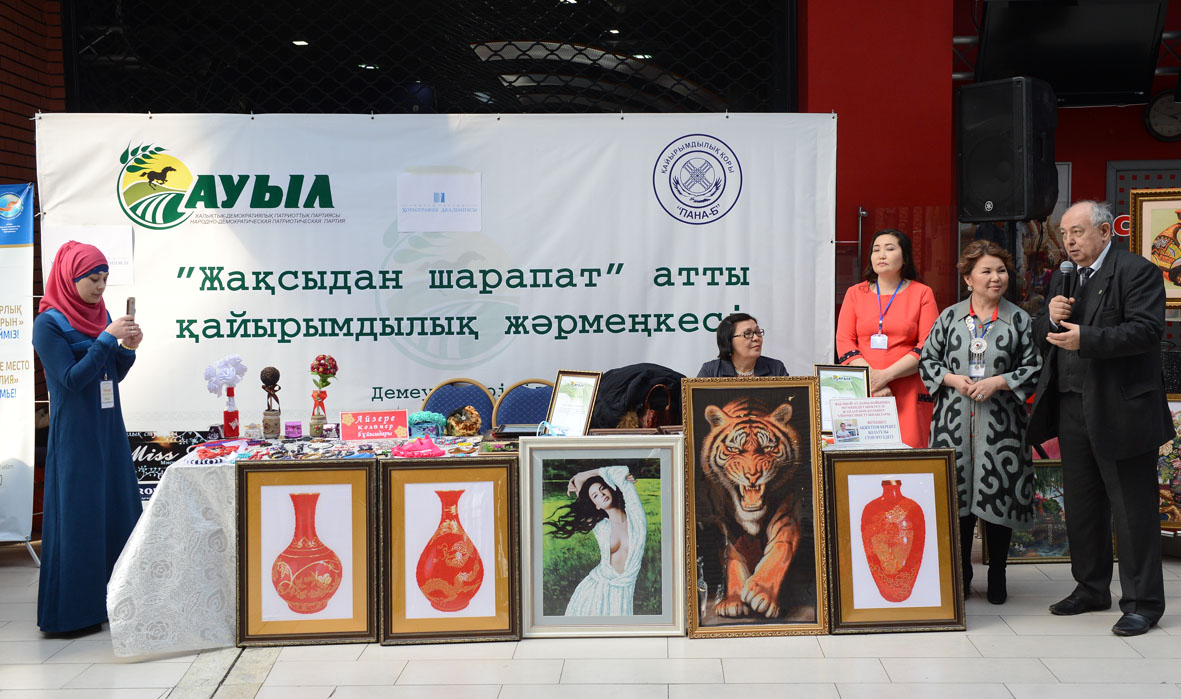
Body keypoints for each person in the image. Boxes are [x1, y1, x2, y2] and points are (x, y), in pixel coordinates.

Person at [1026, 200, 1174, 637]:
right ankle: (1091, 588)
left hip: (1122, 409)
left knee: (1132, 510)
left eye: (1078, 232)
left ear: (1105, 232)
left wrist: (1086, 338)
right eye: (1064, 233)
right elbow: (1044, 336)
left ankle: (1143, 603)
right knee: (1083, 506)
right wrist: (1047, 319)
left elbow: (1147, 331)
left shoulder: (1136, 271)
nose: (1069, 241)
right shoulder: (1064, 276)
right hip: (1072, 406)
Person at [919, 240, 1041, 604]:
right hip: (952, 424)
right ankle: (962, 572)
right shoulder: (950, 317)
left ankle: (998, 573)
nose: (995, 278)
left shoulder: (1019, 319)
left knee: (998, 498)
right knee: (956, 498)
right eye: (986, 271)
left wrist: (998, 382)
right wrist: (954, 380)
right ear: (968, 278)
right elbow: (928, 361)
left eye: (1001, 271)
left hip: (1002, 427)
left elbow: (1033, 368)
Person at [32, 241, 143, 635]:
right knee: (80, 518)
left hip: (108, 430)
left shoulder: (102, 315)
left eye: (104, 278)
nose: (100, 286)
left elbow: (112, 374)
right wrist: (107, 339)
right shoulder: (48, 324)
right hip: (76, 436)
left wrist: (127, 348)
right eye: (92, 279)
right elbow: (71, 380)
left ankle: (118, 602)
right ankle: (75, 613)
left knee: (117, 511)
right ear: (70, 277)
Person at [836, 228, 939, 447]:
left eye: (890, 249)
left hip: (908, 389)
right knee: (862, 455)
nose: (881, 255)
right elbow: (844, 342)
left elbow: (927, 345)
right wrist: (874, 380)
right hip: (865, 388)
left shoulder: (922, 293)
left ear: (905, 257)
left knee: (908, 455)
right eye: (876, 250)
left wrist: (886, 376)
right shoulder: (855, 293)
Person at [545, 466, 645, 615]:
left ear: (610, 488)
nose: (601, 494)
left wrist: (592, 473)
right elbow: (579, 480)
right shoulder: (601, 527)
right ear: (596, 505)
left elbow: (619, 471)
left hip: (623, 592)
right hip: (593, 590)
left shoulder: (636, 517)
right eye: (595, 496)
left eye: (603, 488)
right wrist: (579, 477)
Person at [697, 312, 788, 377]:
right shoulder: (711, 371)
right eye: (747, 333)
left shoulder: (776, 368)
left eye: (757, 332)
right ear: (729, 340)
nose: (756, 338)